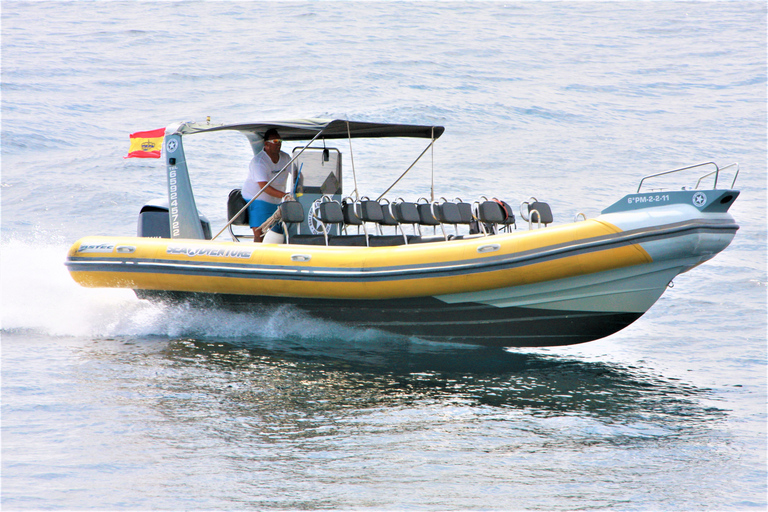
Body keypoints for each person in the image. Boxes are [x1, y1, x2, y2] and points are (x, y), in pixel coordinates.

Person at [242, 128, 292, 242]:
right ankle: (256, 258)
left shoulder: (285, 158)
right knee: (260, 232)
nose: (278, 144)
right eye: (275, 141)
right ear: (266, 144)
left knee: (281, 231)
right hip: (257, 198)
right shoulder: (259, 162)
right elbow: (264, 187)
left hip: (277, 200)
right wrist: (285, 195)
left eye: (280, 141)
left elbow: (297, 174)